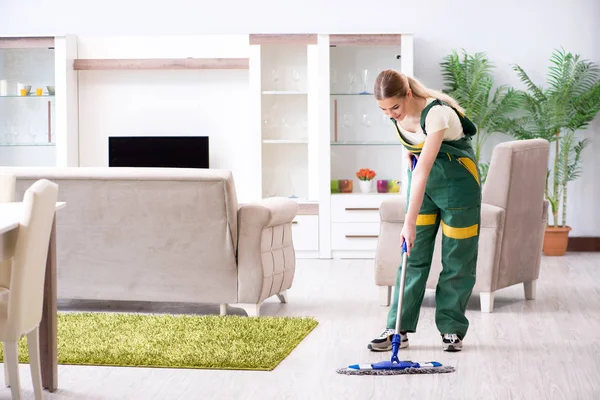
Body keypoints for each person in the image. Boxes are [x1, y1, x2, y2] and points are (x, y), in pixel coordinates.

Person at [368, 69, 481, 352]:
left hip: (458, 186)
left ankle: (452, 329)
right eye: (383, 109)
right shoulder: (396, 115)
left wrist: (408, 222)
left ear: (408, 94)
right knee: (412, 255)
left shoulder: (437, 114)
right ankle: (397, 329)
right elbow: (416, 150)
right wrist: (411, 149)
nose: (391, 114)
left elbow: (424, 169)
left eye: (395, 106)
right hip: (425, 187)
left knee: (457, 259)